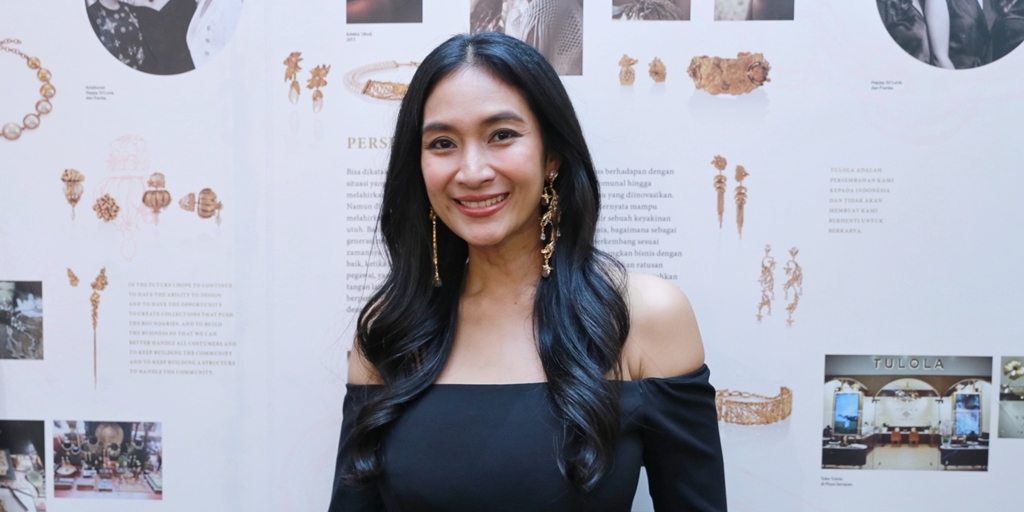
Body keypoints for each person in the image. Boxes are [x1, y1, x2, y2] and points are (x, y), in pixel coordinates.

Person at [328, 32, 727, 511]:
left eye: (502, 135)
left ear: (552, 154)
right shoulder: (391, 331)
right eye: (442, 143)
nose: (472, 171)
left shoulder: (644, 318)